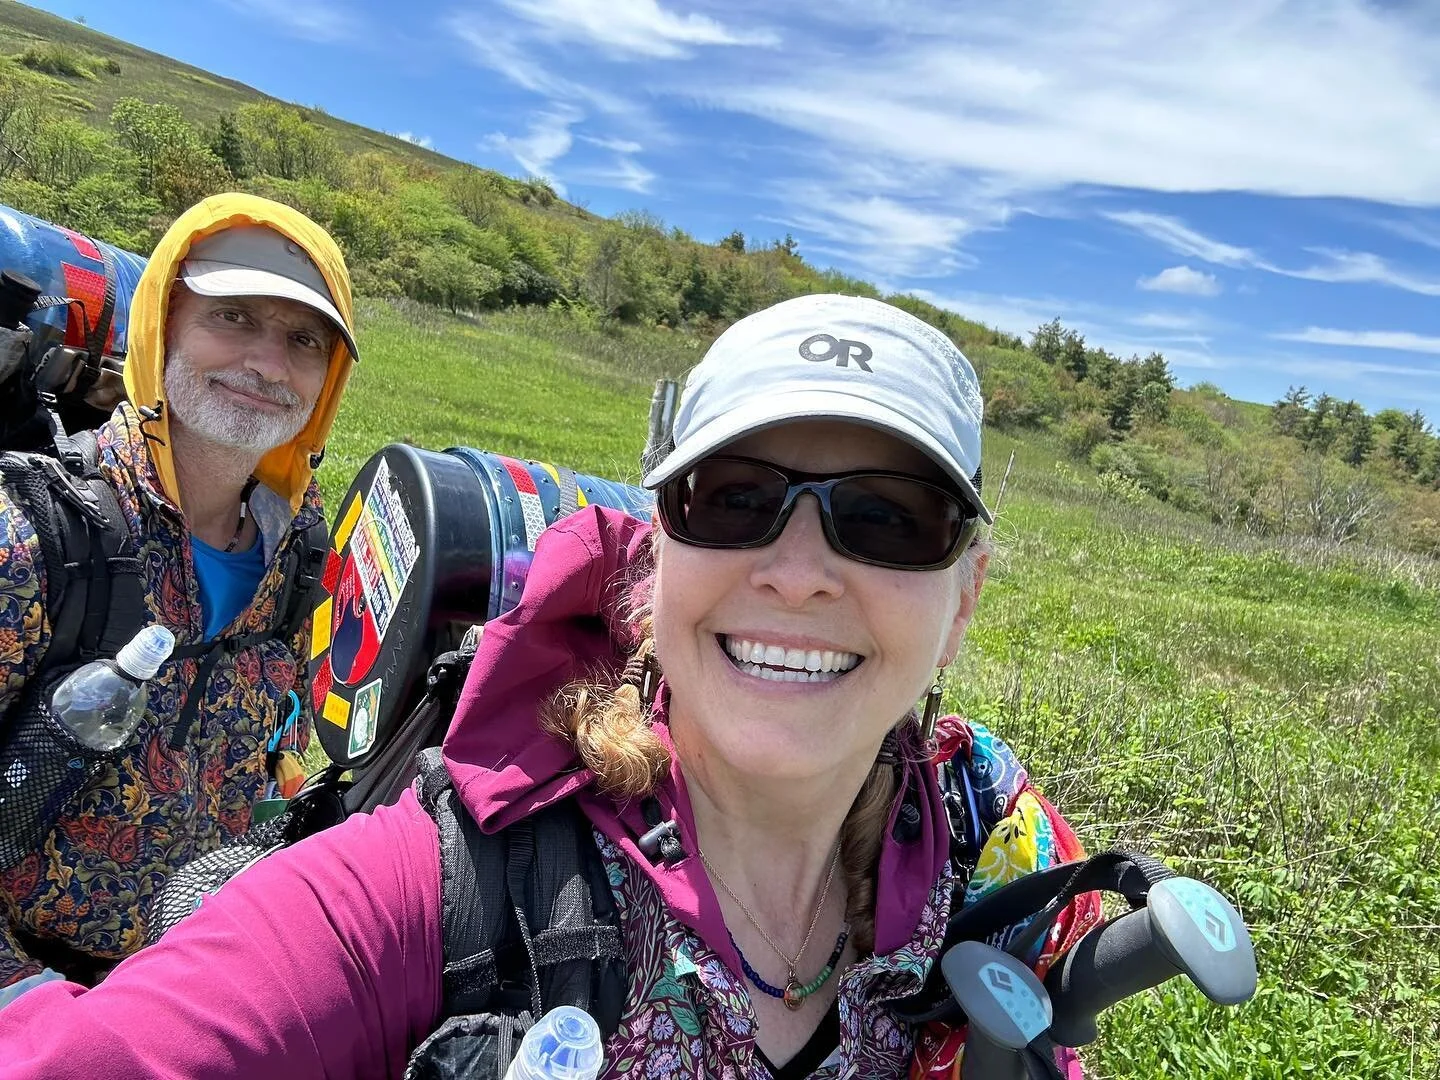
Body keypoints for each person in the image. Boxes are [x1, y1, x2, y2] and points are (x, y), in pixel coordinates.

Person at [0, 293, 1095, 1077]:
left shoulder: (995, 850)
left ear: (966, 596)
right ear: (654, 563)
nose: (799, 573)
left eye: (888, 518)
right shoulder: (444, 890)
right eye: (732, 497)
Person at [0, 193, 359, 1001]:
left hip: (187, 996)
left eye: (305, 339)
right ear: (162, 324)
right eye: (232, 316)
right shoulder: (36, 536)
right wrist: (47, 1020)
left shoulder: (301, 561)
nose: (270, 364)